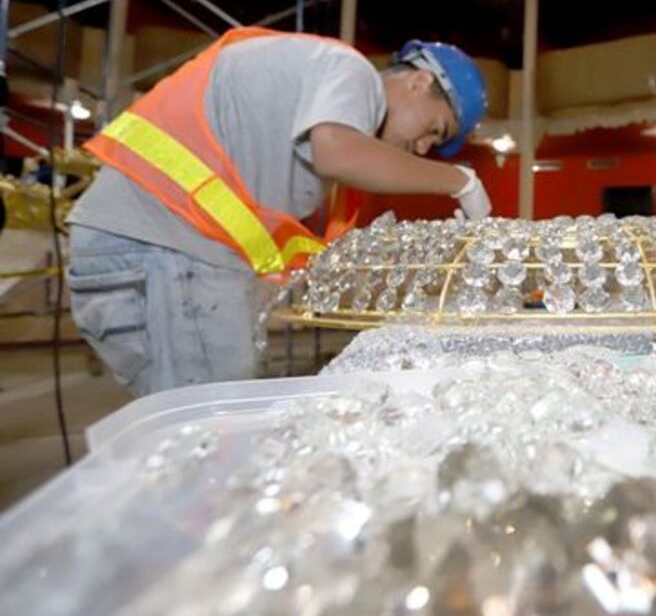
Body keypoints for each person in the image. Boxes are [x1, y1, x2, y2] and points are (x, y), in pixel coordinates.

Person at [66, 27, 492, 396]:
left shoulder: (319, 95)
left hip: (153, 250)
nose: (423, 148)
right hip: (161, 248)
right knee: (222, 438)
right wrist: (459, 181)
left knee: (200, 441)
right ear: (419, 81)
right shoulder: (352, 71)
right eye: (434, 130)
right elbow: (336, 151)